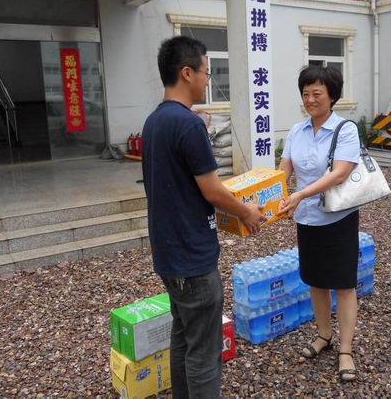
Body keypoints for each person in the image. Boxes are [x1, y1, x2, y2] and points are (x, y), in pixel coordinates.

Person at [142, 35, 265, 399]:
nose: (207, 80)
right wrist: (247, 212)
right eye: (206, 73)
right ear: (186, 73)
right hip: (192, 257)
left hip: (167, 255)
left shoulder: (154, 121)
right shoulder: (188, 124)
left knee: (182, 336)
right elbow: (212, 190)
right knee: (204, 352)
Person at [278, 65, 361, 382]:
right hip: (307, 218)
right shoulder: (296, 131)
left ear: (332, 96)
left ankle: (345, 349)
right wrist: (271, 198)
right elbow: (283, 171)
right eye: (305, 93)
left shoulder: (346, 130)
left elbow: (339, 173)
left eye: (317, 93)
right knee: (316, 281)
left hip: (338, 217)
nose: (310, 99)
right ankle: (324, 335)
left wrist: (300, 194)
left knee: (343, 284)